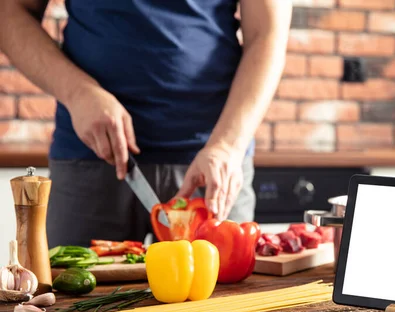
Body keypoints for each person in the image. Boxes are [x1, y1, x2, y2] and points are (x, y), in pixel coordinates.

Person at [0, 0, 292, 247]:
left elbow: (268, 34)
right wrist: (77, 93)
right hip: (89, 160)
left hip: (213, 168)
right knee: (69, 309)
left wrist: (227, 146)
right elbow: (11, 11)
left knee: (226, 311)